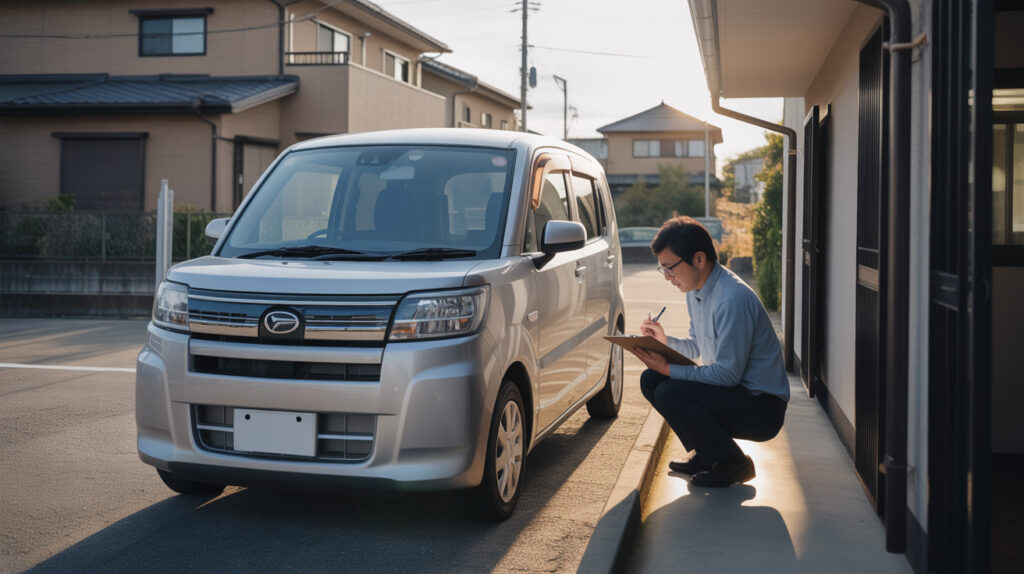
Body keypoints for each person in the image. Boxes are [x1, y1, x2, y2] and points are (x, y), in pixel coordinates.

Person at [629, 216, 789, 487]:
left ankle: (733, 463)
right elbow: (698, 346)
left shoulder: (731, 299)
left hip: (762, 407)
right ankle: (708, 454)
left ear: (699, 259)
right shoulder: (697, 290)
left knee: (670, 390)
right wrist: (665, 342)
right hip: (738, 393)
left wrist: (668, 368)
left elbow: (727, 375)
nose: (668, 277)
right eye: (663, 270)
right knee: (651, 380)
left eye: (670, 268)